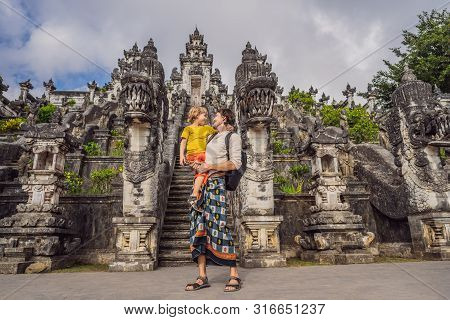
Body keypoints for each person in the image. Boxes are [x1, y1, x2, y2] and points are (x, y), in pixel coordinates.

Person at [184, 108, 243, 292]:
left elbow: (235, 163)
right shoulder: (210, 137)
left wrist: (210, 166)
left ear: (224, 118)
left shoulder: (232, 137)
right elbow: (203, 159)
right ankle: (202, 276)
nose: (213, 118)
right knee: (198, 227)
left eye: (216, 116)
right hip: (201, 184)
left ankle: (234, 275)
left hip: (216, 183)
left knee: (219, 224)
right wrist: (197, 165)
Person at [179, 106, 217, 207]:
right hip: (192, 156)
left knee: (201, 174)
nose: (206, 118)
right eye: (204, 115)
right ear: (196, 116)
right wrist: (181, 155)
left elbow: (219, 134)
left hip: (203, 154)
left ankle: (196, 197)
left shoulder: (207, 128)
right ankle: (195, 193)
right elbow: (183, 142)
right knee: (204, 170)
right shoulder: (188, 128)